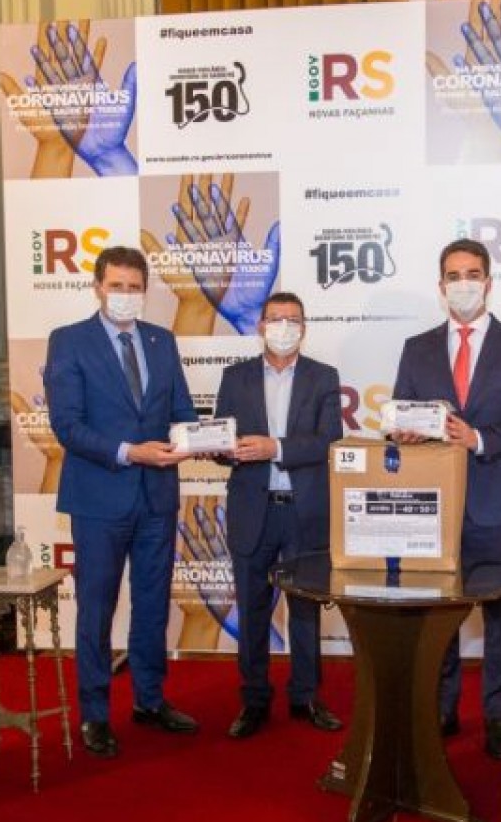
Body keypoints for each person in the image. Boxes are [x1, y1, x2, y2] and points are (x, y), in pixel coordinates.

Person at [391, 238, 501, 759]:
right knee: (439, 615)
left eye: (472, 274)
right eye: (454, 275)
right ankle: (443, 708)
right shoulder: (417, 348)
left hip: (498, 504)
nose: (463, 284)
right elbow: (401, 414)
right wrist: (404, 432)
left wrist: (478, 438)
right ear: (441, 286)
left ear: (488, 282)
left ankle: (498, 715)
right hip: (434, 507)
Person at [46, 245, 200, 759]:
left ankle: (149, 700)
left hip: (157, 497)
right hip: (99, 497)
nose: (126, 295)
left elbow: (181, 410)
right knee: (96, 609)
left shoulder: (162, 340)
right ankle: (94, 714)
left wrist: (198, 439)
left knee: (153, 605)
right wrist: (129, 452)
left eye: (135, 287)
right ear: (97, 287)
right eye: (117, 286)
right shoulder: (69, 340)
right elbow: (67, 426)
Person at [214, 293, 344, 739]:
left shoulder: (323, 377)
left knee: (305, 609)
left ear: (304, 328)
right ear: (260, 326)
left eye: (292, 320)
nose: (283, 327)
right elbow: (222, 442)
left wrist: (277, 448)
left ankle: (305, 696)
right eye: (275, 319)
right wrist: (219, 449)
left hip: (305, 511)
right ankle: (254, 700)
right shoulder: (235, 378)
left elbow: (330, 441)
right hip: (253, 509)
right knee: (252, 609)